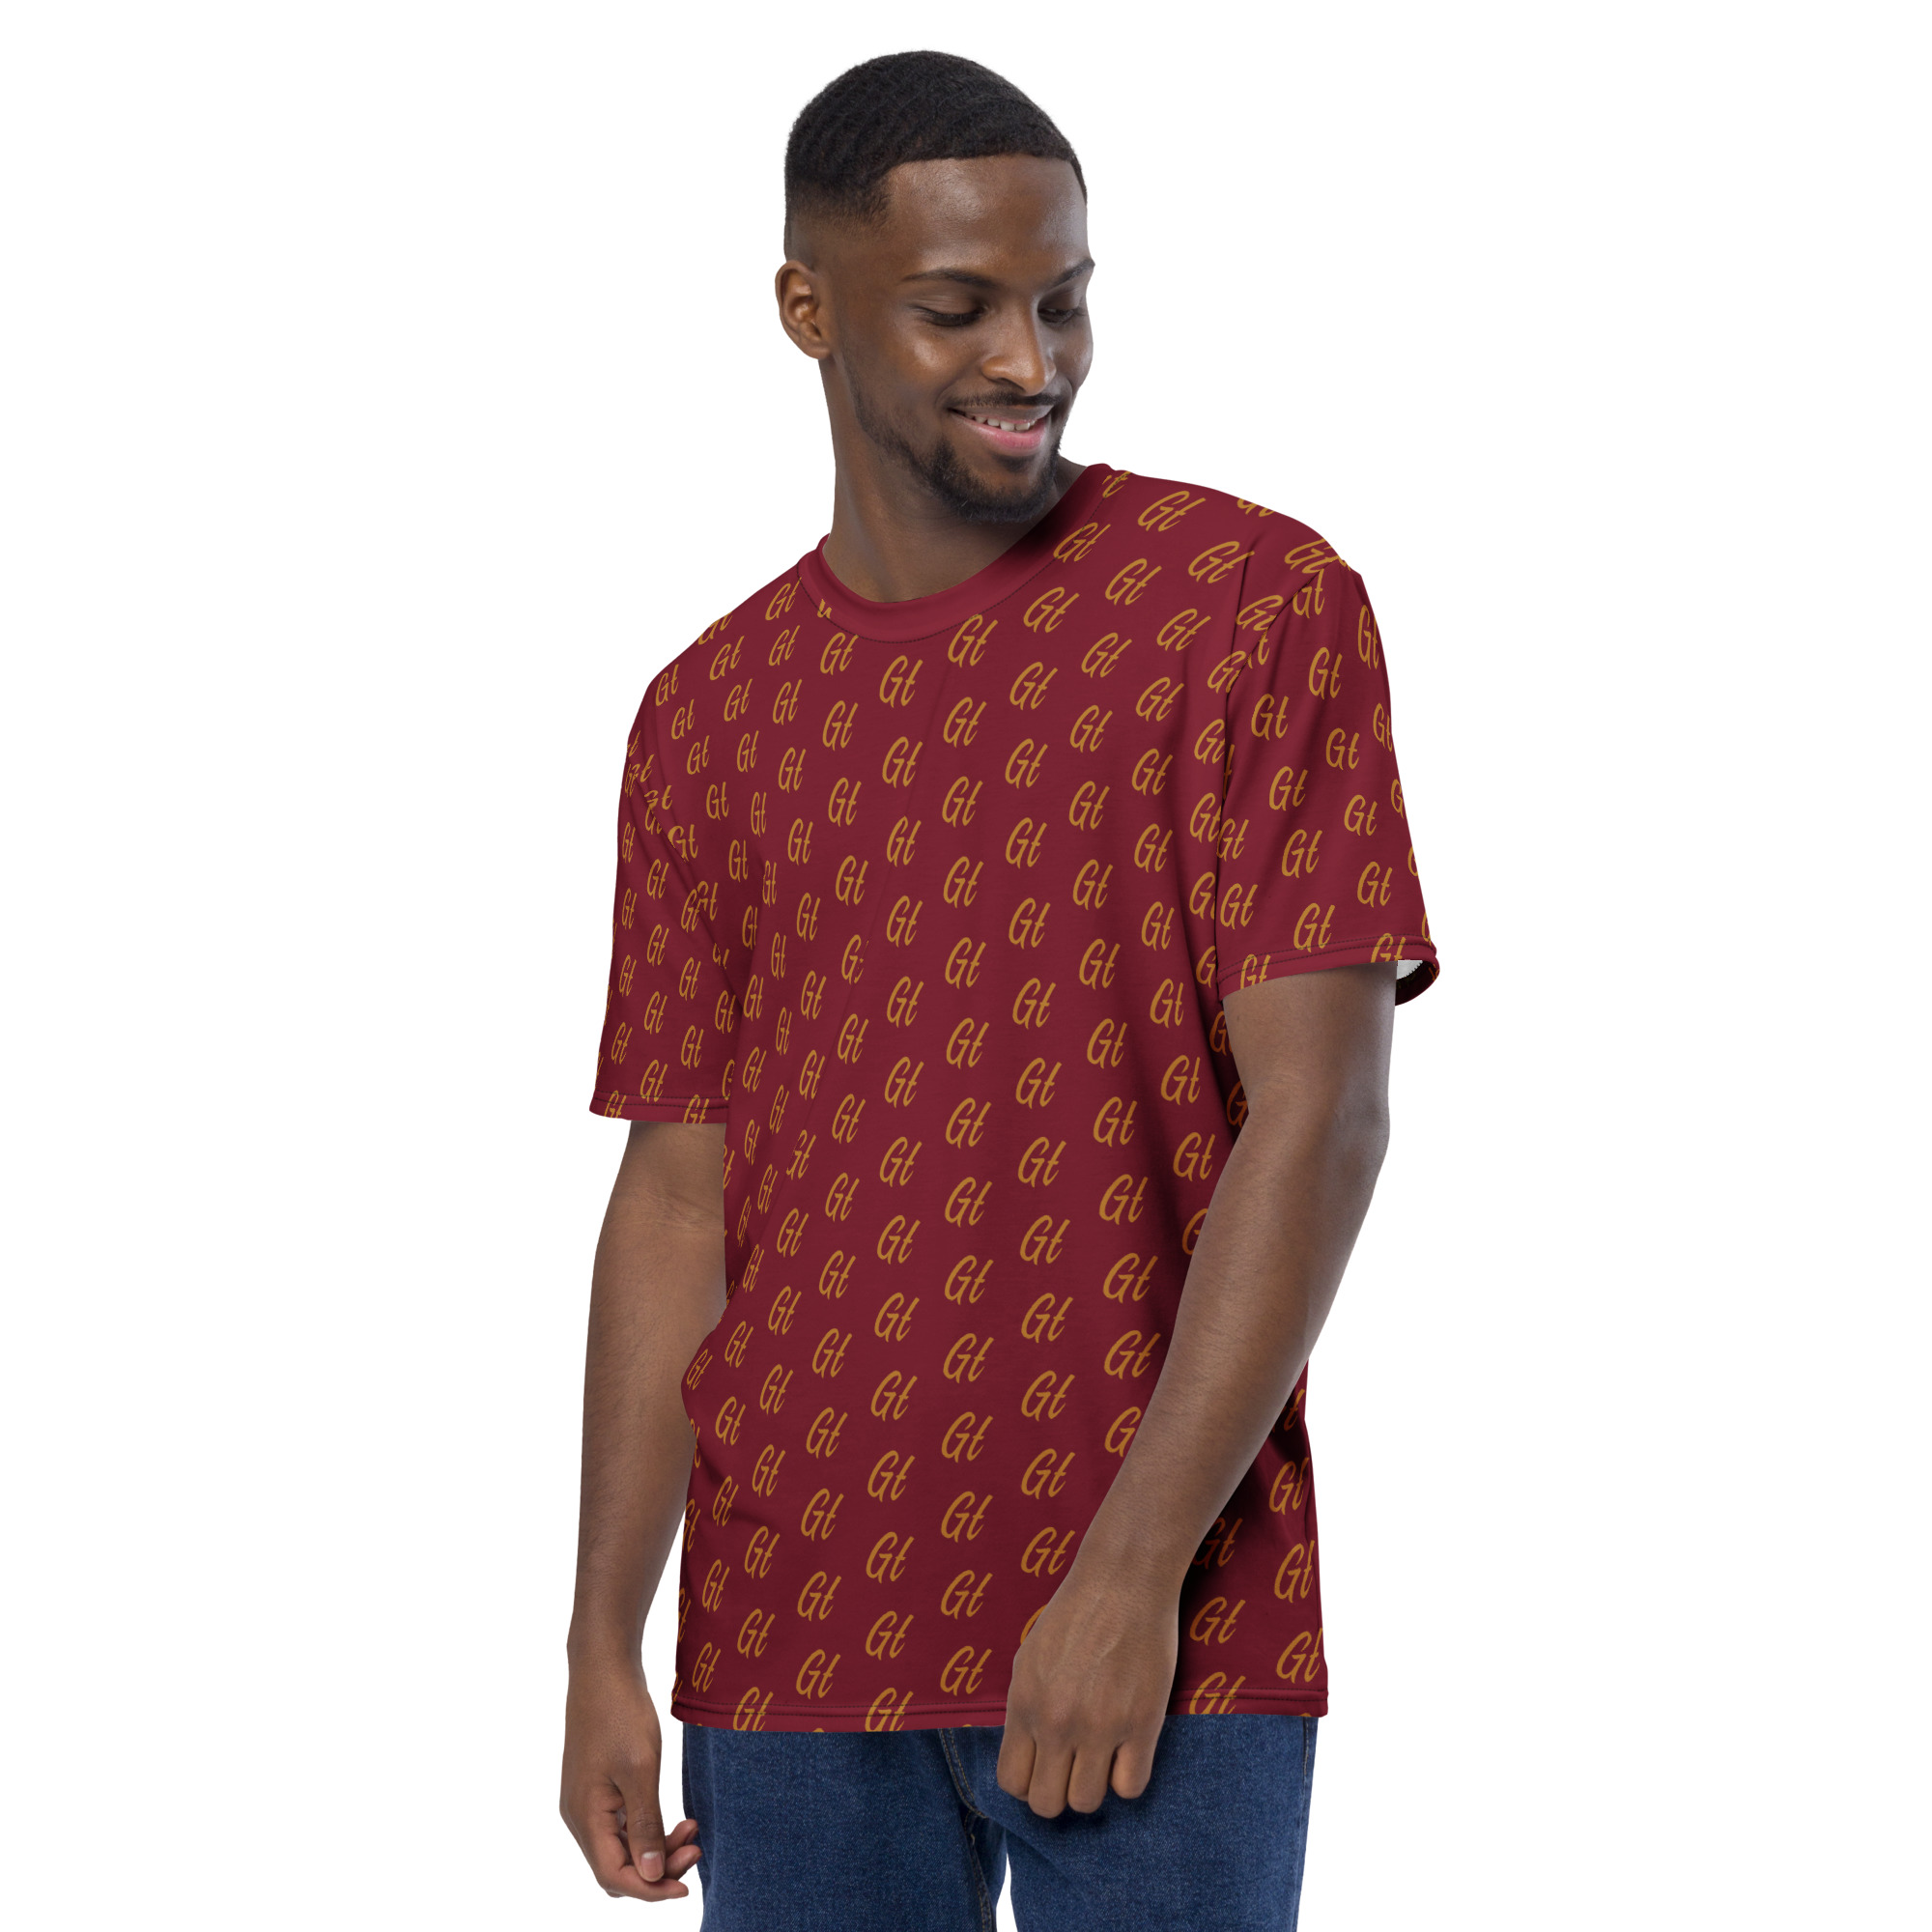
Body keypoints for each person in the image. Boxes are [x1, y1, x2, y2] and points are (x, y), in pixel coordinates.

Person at [559, 48, 1438, 1931]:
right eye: (958, 308)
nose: (1030, 360)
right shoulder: (705, 716)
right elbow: (678, 1196)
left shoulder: (1250, 605)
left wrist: (1127, 1573)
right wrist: (599, 1640)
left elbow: (1323, 1115)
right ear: (808, 308)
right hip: (786, 1643)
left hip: (1159, 1627)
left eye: (1065, 302)